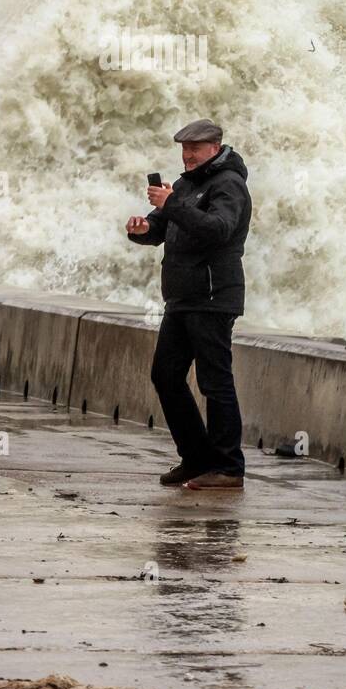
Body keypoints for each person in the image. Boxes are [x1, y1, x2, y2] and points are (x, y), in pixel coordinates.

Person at [126, 119, 252, 490]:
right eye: (184, 149)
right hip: (180, 299)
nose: (187, 155)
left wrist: (174, 204)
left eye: (194, 149)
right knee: (165, 376)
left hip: (213, 298)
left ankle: (228, 468)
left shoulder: (229, 184)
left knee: (215, 382)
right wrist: (142, 229)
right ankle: (196, 459)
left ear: (215, 148)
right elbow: (163, 227)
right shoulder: (185, 185)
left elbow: (218, 229)